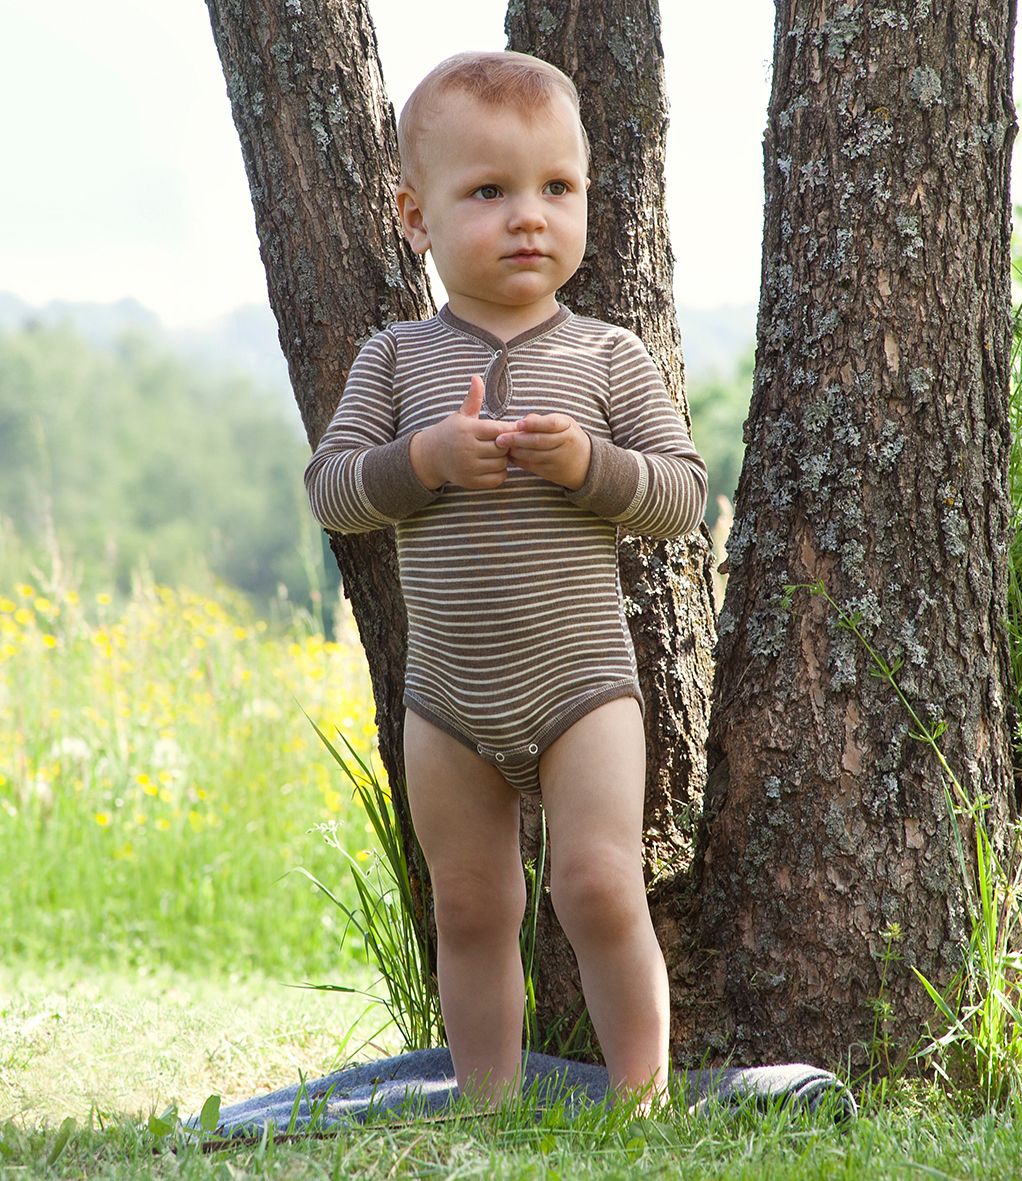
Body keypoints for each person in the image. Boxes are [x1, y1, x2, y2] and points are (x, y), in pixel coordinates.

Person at [304, 50, 707, 1106]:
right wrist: (425, 461)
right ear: (415, 216)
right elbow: (334, 491)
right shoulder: (394, 360)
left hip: (581, 686)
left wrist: (589, 466)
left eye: (555, 189)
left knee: (595, 882)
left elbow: (679, 497)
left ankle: (640, 1099)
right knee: (471, 904)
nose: (528, 216)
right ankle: (486, 1106)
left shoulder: (610, 358)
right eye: (488, 191)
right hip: (447, 698)